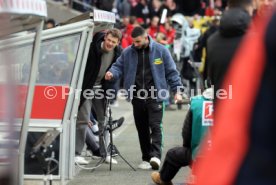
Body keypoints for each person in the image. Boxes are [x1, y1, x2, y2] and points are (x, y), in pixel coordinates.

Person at [192, 10, 276, 185]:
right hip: (245, 102)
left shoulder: (212, 40)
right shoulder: (253, 40)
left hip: (220, 95)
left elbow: (207, 72)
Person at [105, 26, 183, 170]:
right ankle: (146, 158)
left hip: (156, 95)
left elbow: (172, 72)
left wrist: (177, 90)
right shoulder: (128, 52)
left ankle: (156, 156)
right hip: (137, 96)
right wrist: (111, 73)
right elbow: (118, 66)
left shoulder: (161, 50)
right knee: (142, 129)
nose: (135, 44)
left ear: (146, 37)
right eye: (133, 42)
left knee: (155, 126)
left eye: (138, 41)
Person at [75, 28, 122, 165]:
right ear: (105, 37)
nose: (110, 44)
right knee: (82, 120)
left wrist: (112, 78)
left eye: (113, 42)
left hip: (101, 90)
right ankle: (77, 153)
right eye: (108, 40)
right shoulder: (91, 48)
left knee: (104, 121)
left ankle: (104, 153)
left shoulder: (118, 52)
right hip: (86, 89)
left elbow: (118, 71)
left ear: (117, 42)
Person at [151, 88, 214, 185]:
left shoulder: (197, 102)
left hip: (201, 157)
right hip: (233, 160)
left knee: (173, 154)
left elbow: (186, 133)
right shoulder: (237, 102)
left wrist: (189, 149)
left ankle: (163, 179)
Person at [206, 0, 254, 103]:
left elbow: (209, 78)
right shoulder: (257, 40)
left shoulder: (211, 41)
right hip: (250, 108)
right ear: (249, 9)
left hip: (221, 107)